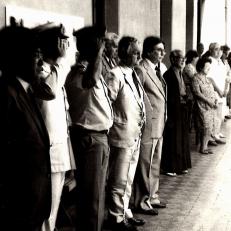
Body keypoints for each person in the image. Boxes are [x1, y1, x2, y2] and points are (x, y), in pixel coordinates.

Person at [0, 25, 51, 231]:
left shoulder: (23, 90)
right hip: (16, 209)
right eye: (36, 55)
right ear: (17, 57)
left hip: (31, 205)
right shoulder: (6, 94)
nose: (41, 63)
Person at [65, 25, 113, 231]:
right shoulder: (84, 71)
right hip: (91, 138)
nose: (105, 46)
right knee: (92, 197)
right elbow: (90, 81)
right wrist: (99, 52)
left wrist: (99, 54)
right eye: (101, 42)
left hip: (96, 137)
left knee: (93, 196)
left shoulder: (91, 69)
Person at [32, 22, 76, 231]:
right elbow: (49, 91)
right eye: (63, 41)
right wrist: (57, 61)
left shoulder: (53, 70)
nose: (66, 46)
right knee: (45, 208)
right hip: (46, 152)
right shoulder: (42, 70)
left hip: (57, 149)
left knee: (53, 206)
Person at [105, 36, 146, 231]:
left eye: (139, 52)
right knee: (118, 179)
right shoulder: (115, 74)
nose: (139, 56)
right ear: (124, 54)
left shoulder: (132, 73)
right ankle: (115, 218)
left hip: (134, 134)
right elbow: (108, 104)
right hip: (121, 134)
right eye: (135, 53)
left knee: (129, 178)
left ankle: (124, 212)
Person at [133, 36, 167, 216]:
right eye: (158, 50)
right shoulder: (141, 69)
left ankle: (152, 196)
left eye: (163, 50)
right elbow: (138, 98)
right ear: (148, 52)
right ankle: (141, 201)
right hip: (148, 126)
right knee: (144, 165)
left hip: (159, 125)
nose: (163, 53)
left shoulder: (157, 69)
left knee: (155, 164)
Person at [161, 49, 192, 176]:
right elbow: (169, 96)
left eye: (184, 58)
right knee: (173, 139)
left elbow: (183, 90)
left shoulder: (180, 73)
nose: (183, 60)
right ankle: (170, 167)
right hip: (173, 111)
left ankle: (181, 166)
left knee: (183, 138)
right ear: (173, 59)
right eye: (180, 58)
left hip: (182, 110)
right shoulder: (168, 75)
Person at [192, 57, 218, 154]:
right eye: (207, 67)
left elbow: (212, 91)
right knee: (205, 126)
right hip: (201, 106)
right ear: (201, 67)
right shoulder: (196, 78)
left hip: (210, 106)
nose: (208, 69)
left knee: (210, 126)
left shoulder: (207, 79)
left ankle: (205, 146)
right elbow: (197, 93)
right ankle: (202, 147)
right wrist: (208, 101)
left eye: (209, 67)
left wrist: (214, 100)